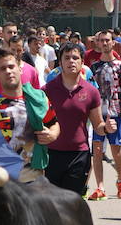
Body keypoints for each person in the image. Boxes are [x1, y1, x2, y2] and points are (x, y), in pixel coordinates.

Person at [0, 47, 59, 182]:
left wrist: (52, 134)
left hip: (32, 179)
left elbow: (53, 123)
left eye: (11, 66)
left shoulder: (38, 100)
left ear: (20, 69)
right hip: (1, 181)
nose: (8, 71)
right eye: (3, 68)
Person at [43, 42, 105, 194]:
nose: (71, 61)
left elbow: (98, 126)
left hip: (79, 155)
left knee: (72, 202)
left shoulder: (91, 92)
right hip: (51, 154)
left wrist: (107, 128)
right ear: (60, 63)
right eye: (67, 58)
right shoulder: (47, 90)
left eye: (75, 58)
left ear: (82, 62)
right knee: (52, 202)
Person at [87, 29, 121, 201]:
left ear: (113, 42)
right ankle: (100, 186)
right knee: (97, 150)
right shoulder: (93, 68)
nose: (105, 43)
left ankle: (120, 180)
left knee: (116, 151)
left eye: (107, 40)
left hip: (115, 114)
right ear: (97, 43)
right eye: (101, 40)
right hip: (97, 114)